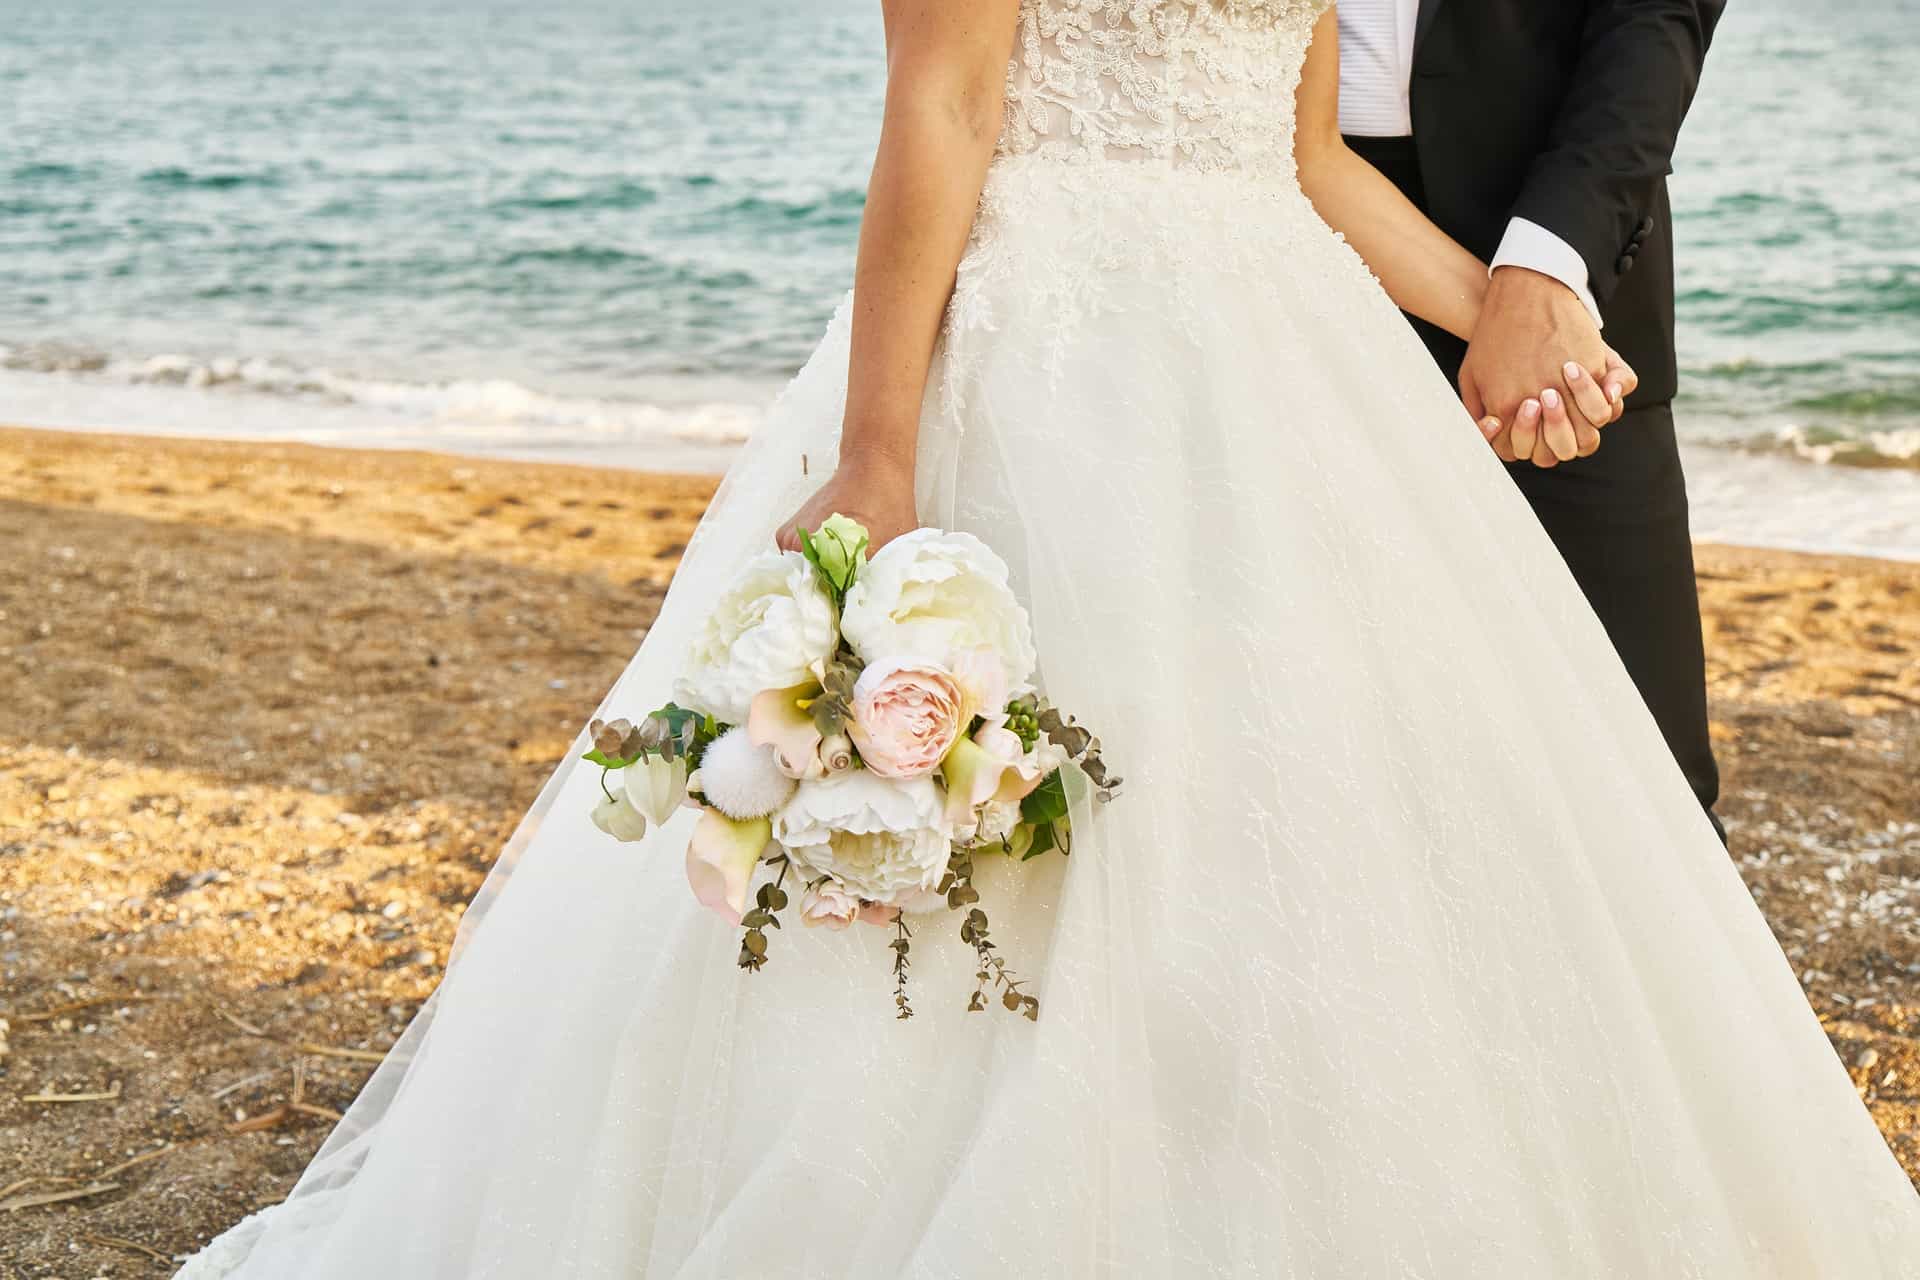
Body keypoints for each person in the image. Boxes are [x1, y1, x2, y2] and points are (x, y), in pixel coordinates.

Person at [179, 3, 1920, 1276]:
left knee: (1316, 822)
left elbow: (1302, 158)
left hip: (1285, 365)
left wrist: (1510, 320)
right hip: (1047, 355)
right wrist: (877, 443)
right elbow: (943, 109)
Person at [1337, 0, 1725, 835]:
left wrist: (1548, 269)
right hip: (1274, 253)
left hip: (1552, 231)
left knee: (1642, 777)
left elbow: (1655, 15)